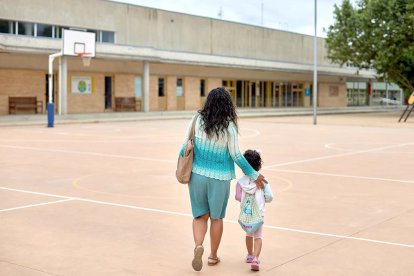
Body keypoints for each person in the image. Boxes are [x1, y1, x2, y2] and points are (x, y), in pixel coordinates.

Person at [178, 87, 267, 272]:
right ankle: (212, 256)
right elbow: (236, 156)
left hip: (197, 176)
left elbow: (185, 145)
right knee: (216, 218)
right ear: (228, 105)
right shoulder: (229, 127)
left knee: (200, 216)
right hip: (220, 179)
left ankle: (198, 245)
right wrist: (254, 175)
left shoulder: (196, 120)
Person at [235, 149, 273, 271]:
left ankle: (250, 254)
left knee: (248, 234)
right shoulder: (263, 180)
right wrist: (262, 199)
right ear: (259, 165)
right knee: (258, 236)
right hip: (259, 214)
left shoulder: (241, 182)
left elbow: (238, 197)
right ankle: (256, 259)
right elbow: (270, 197)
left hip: (247, 214)